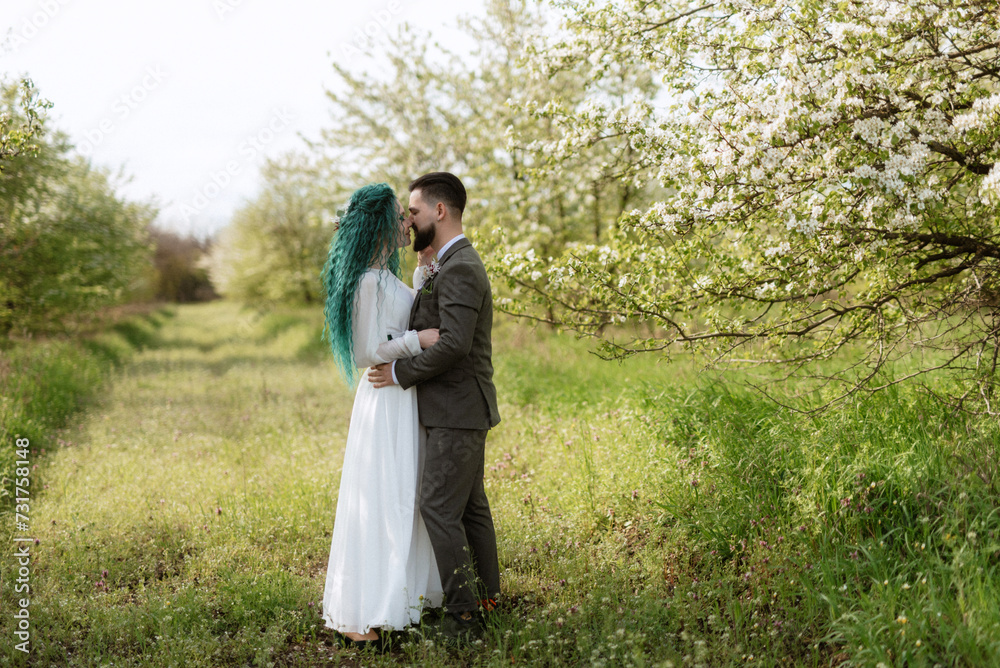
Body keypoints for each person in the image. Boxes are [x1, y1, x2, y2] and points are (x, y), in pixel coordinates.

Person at [368, 172, 501, 640]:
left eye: (416, 211)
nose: (409, 221)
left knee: (438, 508)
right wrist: (423, 272)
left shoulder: (461, 265)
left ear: (439, 212)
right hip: (460, 408)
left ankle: (465, 617)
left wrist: (399, 374)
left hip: (457, 410)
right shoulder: (446, 263)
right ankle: (488, 600)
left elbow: (455, 345)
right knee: (468, 508)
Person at [319, 182, 444, 647]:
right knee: (379, 495)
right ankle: (361, 607)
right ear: (377, 224)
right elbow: (365, 350)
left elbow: (404, 317)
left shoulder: (386, 275)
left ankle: (400, 595)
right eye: (398, 216)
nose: (406, 222)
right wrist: (418, 342)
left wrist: (422, 277)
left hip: (403, 392)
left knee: (404, 493)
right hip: (383, 395)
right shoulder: (367, 280)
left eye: (406, 215)